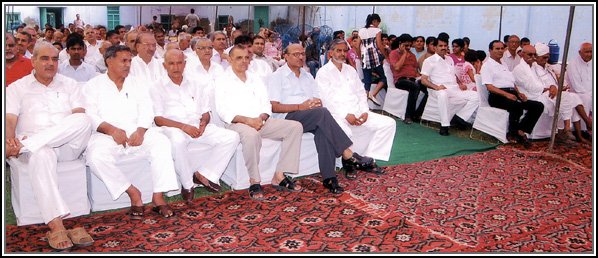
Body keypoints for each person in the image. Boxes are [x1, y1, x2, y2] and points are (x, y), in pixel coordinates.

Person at [6, 41, 94, 250]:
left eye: (54, 59)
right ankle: (56, 226)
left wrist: (21, 146)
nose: (50, 63)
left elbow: (78, 117)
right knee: (42, 154)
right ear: (33, 61)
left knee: (84, 120)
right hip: (37, 149)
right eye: (44, 58)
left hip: (66, 146)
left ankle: (27, 146)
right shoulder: (16, 88)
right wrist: (10, 140)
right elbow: (9, 121)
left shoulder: (70, 84)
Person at [269, 43, 383, 191]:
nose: (300, 57)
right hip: (287, 117)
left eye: (302, 54)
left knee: (322, 127)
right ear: (285, 56)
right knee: (322, 114)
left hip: (310, 115)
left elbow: (318, 99)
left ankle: (329, 178)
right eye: (295, 54)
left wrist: (315, 103)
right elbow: (274, 106)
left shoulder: (307, 76)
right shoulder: (277, 76)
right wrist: (299, 107)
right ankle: (348, 154)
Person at [83, 45, 179, 219]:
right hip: (107, 135)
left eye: (130, 61)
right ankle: (133, 193)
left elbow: (147, 110)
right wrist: (111, 130)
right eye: (123, 61)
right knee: (95, 157)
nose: (128, 65)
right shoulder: (93, 85)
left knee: (162, 143)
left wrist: (141, 131)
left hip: (136, 131)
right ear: (109, 62)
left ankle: (158, 197)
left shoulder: (138, 83)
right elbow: (89, 115)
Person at [214, 45, 304, 201]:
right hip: (237, 123)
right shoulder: (222, 80)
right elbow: (223, 111)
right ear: (230, 60)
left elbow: (266, 105)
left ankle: (280, 176)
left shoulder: (254, 77)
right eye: (239, 58)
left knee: (295, 127)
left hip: (260, 121)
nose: (244, 61)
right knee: (251, 135)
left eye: (246, 57)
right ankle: (254, 181)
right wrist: (248, 121)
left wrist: (261, 118)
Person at [152, 49, 240, 202]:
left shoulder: (196, 83)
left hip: (196, 126)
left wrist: (203, 123)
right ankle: (187, 185)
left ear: (185, 64)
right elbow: (158, 119)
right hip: (172, 128)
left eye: (179, 63)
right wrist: (184, 127)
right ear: (164, 66)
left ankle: (204, 174)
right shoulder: (156, 87)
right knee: (178, 141)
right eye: (171, 63)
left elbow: (206, 111)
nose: (176, 67)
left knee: (232, 136)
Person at [316, 38, 396, 165]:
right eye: (339, 50)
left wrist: (365, 111)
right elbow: (326, 100)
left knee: (389, 123)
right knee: (343, 132)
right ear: (330, 53)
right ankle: (349, 161)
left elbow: (360, 93)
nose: (342, 53)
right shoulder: (323, 73)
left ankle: (369, 158)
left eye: (345, 50)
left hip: (358, 112)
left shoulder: (351, 70)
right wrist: (345, 115)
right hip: (337, 115)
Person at [480, 40, 544, 145]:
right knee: (516, 106)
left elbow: (511, 83)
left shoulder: (504, 64)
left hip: (512, 93)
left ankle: (521, 130)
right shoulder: (487, 66)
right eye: (497, 49)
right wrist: (507, 95)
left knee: (538, 106)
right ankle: (511, 133)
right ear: (490, 50)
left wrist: (518, 94)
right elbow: (490, 87)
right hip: (498, 96)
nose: (500, 51)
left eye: (502, 48)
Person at [513, 45, 578, 146]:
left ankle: (563, 131)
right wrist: (549, 88)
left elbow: (545, 80)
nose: (533, 57)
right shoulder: (519, 69)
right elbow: (531, 88)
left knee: (564, 98)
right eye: (530, 54)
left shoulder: (534, 66)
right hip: (531, 96)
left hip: (542, 93)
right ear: (522, 54)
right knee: (562, 97)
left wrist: (552, 86)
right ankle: (565, 130)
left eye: (535, 54)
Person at [420, 34, 479, 136]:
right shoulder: (429, 61)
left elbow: (453, 74)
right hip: (438, 89)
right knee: (442, 94)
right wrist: (436, 87)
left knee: (477, 96)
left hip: (454, 88)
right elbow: (423, 80)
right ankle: (445, 125)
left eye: (445, 45)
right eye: (440, 46)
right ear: (434, 47)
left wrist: (460, 84)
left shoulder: (449, 59)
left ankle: (459, 118)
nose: (443, 48)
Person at [389, 34, 428, 124]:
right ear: (400, 44)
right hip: (400, 80)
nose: (409, 47)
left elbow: (415, 70)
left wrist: (421, 79)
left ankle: (417, 114)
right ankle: (409, 116)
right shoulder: (394, 53)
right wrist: (404, 54)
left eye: (410, 45)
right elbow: (397, 67)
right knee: (415, 87)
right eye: (406, 45)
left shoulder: (412, 56)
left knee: (427, 88)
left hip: (412, 79)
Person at [357, 14, 389, 106]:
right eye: (378, 22)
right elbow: (379, 45)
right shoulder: (377, 30)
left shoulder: (361, 30)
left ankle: (364, 105)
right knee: (383, 77)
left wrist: (360, 57)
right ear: (374, 21)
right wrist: (386, 57)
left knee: (367, 81)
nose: (378, 25)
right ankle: (373, 95)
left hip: (364, 58)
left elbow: (357, 45)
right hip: (374, 57)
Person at [564, 42, 593, 143]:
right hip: (577, 93)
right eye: (587, 52)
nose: (589, 54)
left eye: (591, 52)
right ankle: (584, 130)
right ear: (580, 52)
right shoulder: (573, 64)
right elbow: (577, 87)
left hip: (590, 94)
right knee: (586, 98)